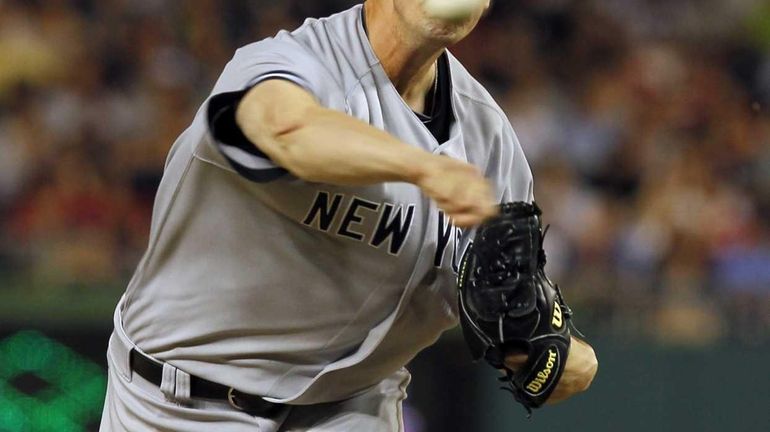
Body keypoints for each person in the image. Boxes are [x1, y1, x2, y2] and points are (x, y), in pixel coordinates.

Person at [99, 1, 597, 430]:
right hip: (181, 401)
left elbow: (523, 329)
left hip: (351, 409)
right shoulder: (288, 61)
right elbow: (285, 131)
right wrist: (419, 167)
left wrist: (551, 352)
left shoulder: (491, 146)